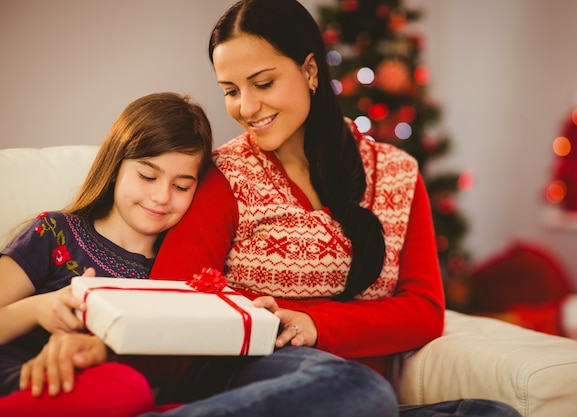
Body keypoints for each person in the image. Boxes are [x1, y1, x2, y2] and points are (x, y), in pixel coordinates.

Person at [141, 1, 521, 416]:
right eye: (231, 91)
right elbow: (173, 304)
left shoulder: (397, 173)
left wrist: (313, 322)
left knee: (491, 413)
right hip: (251, 376)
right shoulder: (222, 177)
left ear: (309, 71)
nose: (246, 108)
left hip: (351, 398)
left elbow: (424, 310)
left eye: (263, 83)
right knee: (355, 386)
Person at [0, 92, 214, 417]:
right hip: (25, 379)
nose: (161, 196)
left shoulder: (174, 272)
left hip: (120, 397)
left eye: (182, 187)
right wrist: (38, 307)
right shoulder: (56, 233)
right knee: (125, 389)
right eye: (147, 176)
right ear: (115, 167)